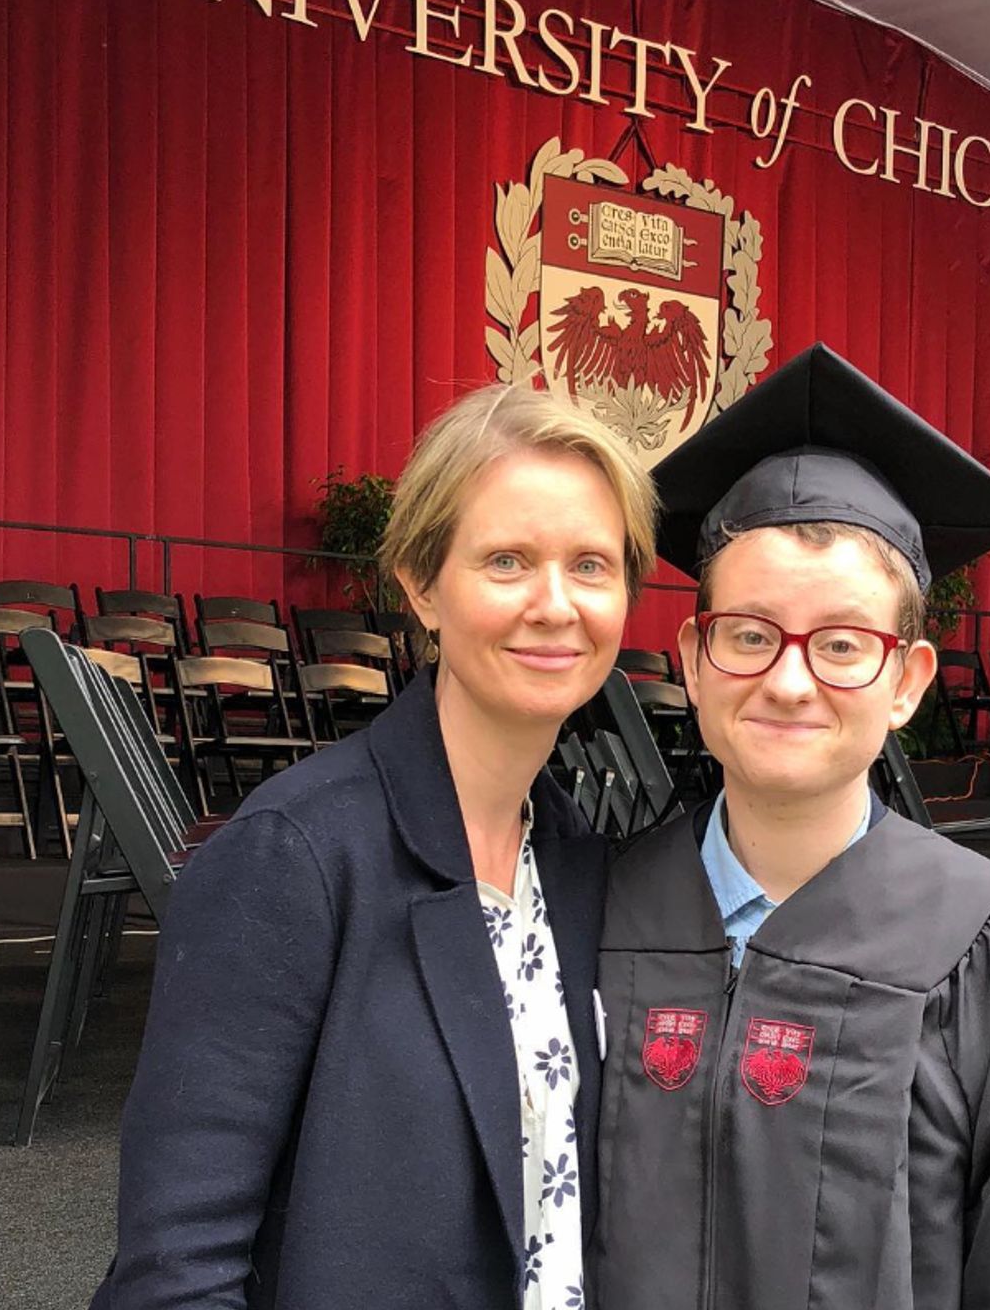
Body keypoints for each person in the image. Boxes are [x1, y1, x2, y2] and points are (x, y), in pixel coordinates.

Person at [90, 382, 657, 1310]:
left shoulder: (576, 861)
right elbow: (176, 1268)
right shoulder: (294, 857)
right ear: (423, 587)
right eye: (507, 561)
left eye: (591, 565)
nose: (557, 605)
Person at [589, 344, 990, 1310]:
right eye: (750, 635)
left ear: (908, 683)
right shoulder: (602, 908)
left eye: (843, 644)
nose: (789, 680)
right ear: (694, 657)